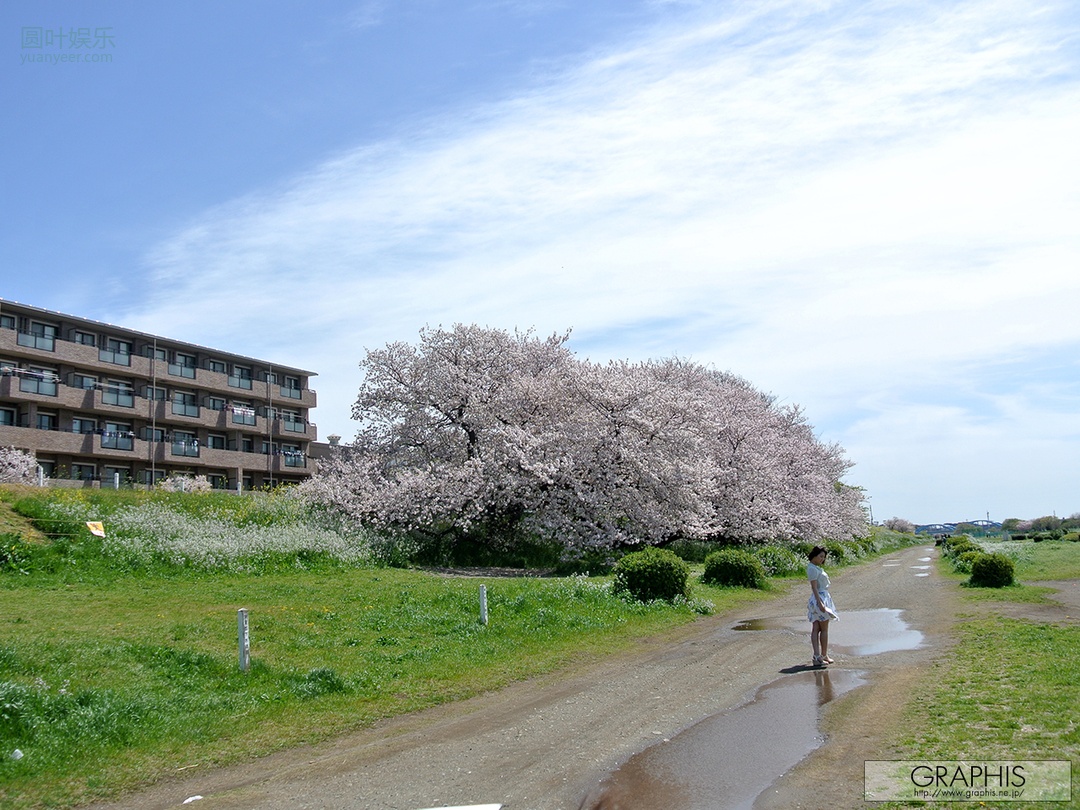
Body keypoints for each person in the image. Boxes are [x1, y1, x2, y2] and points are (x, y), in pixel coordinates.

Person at [807, 546, 838, 667]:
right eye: (820, 556)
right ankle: (822, 655)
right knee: (823, 629)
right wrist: (820, 603)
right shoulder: (813, 569)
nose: (822, 559)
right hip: (820, 598)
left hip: (820, 598)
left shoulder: (813, 568)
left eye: (823, 557)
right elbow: (814, 587)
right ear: (814, 555)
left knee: (816, 628)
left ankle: (818, 656)